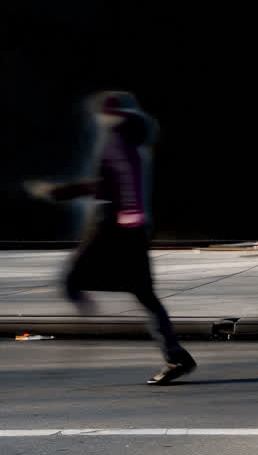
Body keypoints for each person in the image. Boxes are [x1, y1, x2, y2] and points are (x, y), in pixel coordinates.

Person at [25, 91, 197, 385]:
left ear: (109, 115)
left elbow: (119, 181)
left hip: (112, 227)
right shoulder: (132, 139)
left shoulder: (116, 138)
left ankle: (85, 334)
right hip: (132, 228)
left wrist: (124, 215)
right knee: (144, 294)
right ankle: (175, 356)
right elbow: (111, 183)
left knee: (73, 280)